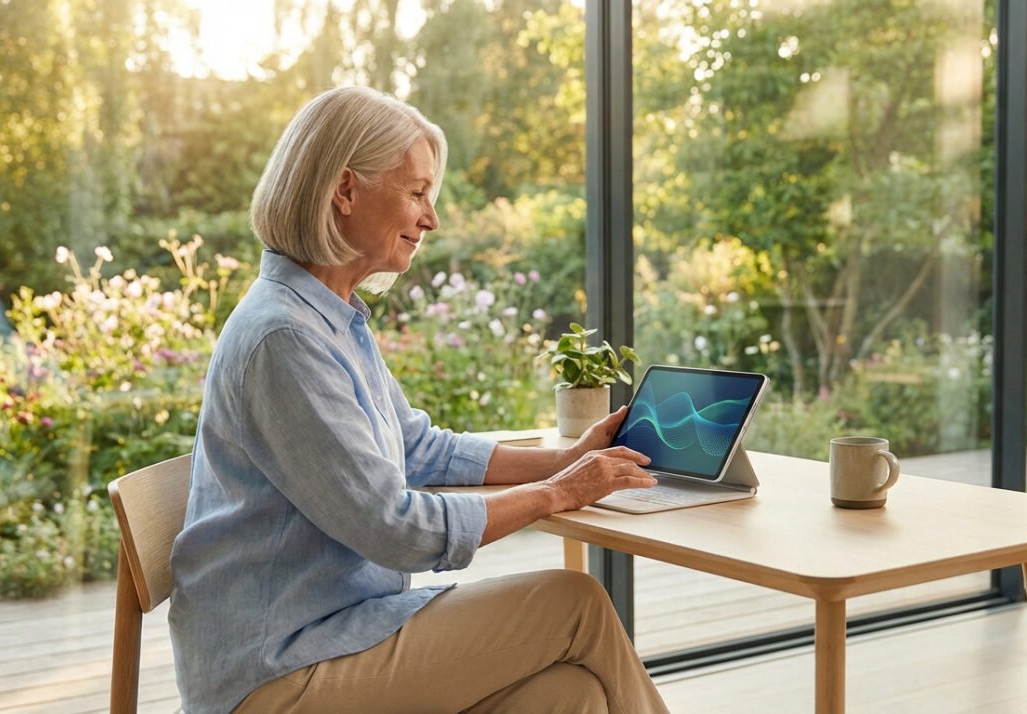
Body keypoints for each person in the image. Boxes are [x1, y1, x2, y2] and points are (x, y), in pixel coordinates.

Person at [168, 86, 671, 714]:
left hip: (342, 631)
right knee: (579, 606)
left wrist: (566, 459)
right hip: (276, 671)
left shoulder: (331, 319)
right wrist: (560, 493)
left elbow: (416, 448)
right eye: (416, 193)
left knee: (569, 696)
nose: (430, 219)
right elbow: (395, 528)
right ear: (344, 191)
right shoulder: (284, 338)